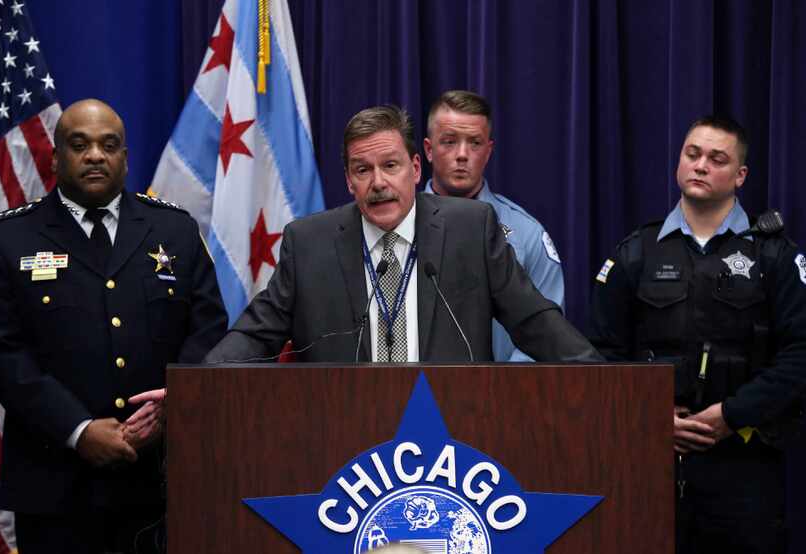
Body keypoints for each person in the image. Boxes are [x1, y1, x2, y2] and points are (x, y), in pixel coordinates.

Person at [0, 99, 228, 554]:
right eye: (79, 144)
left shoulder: (174, 231)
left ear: (125, 158)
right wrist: (79, 429)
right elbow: (2, 353)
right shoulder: (8, 240)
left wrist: (171, 408)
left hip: (161, 475)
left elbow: (208, 330)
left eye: (108, 145)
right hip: (55, 481)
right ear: (55, 157)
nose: (95, 155)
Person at [205, 105, 600, 364]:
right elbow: (256, 333)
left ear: (414, 168)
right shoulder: (309, 242)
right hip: (344, 434)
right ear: (348, 181)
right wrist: (194, 386)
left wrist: (609, 380)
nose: (378, 183)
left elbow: (536, 324)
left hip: (453, 434)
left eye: (390, 165)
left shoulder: (472, 229)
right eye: (363, 170)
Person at [589, 115, 806, 554]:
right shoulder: (636, 253)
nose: (701, 165)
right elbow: (599, 354)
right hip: (649, 459)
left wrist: (730, 414)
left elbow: (800, 354)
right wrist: (652, 417)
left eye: (717, 158)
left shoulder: (774, 256)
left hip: (745, 463)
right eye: (693, 154)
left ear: (740, 175)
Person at [423, 90, 565, 361]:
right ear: (429, 150)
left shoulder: (526, 235)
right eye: (449, 142)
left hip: (502, 395)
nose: (462, 154)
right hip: (413, 394)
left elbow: (547, 335)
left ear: (488, 152)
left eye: (475, 143)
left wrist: (501, 393)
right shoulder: (399, 225)